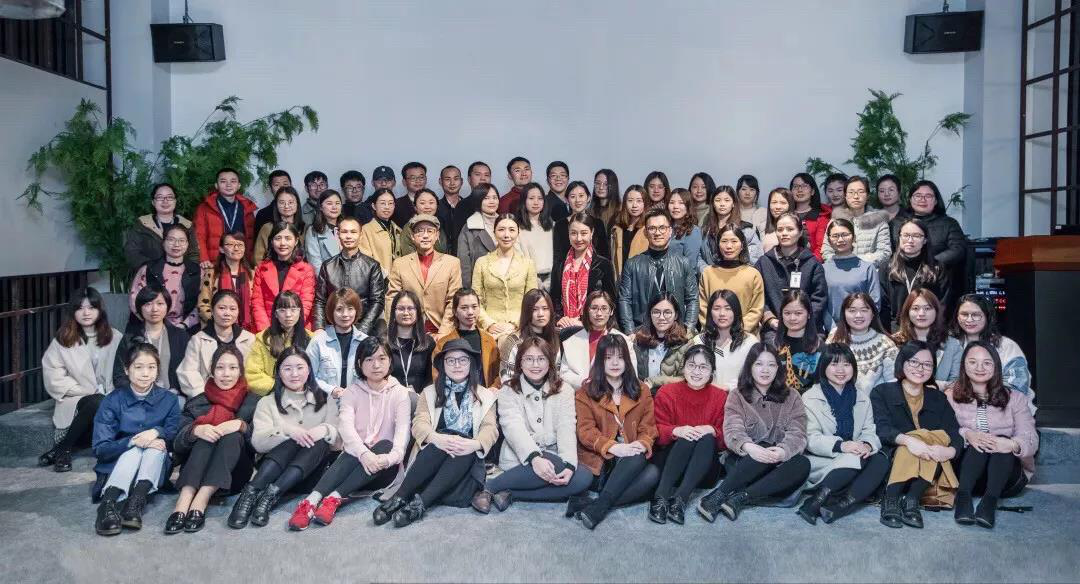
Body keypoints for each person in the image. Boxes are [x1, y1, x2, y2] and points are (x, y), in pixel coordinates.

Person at [287, 338, 412, 530]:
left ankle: (334, 498)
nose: (376, 365)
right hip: (353, 463)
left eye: (382, 358)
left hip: (384, 469)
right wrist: (364, 454)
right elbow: (346, 429)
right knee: (354, 447)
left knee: (385, 444)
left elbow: (401, 440)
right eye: (369, 359)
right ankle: (311, 501)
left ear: (390, 361)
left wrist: (385, 459)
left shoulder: (401, 393)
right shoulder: (351, 393)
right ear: (360, 363)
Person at [372, 339, 498, 527]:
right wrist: (437, 438)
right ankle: (400, 497)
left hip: (465, 470)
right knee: (441, 440)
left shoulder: (486, 395)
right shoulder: (430, 392)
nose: (457, 365)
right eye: (451, 360)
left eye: (463, 360)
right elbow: (419, 423)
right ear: (443, 364)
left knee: (463, 444)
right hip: (429, 465)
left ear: (471, 364)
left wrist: (475, 444)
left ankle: (420, 504)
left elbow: (490, 428)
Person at [227, 347, 340, 529]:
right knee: (294, 437)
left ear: (309, 370)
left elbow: (339, 444)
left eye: (300, 367)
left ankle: (268, 496)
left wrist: (324, 430)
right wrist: (288, 431)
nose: (294, 374)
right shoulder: (267, 402)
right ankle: (251, 493)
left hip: (308, 475)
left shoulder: (326, 400)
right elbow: (257, 444)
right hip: (272, 473)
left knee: (317, 440)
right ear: (278, 372)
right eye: (287, 368)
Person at [697, 343, 809, 522]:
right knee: (761, 446)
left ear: (778, 368)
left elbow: (798, 432)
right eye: (759, 364)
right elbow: (732, 428)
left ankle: (740, 498)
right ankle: (719, 494)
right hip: (744, 463)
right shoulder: (737, 395)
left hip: (777, 464)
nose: (765, 370)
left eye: (771, 365)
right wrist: (749, 447)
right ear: (750, 366)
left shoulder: (792, 396)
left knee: (802, 463)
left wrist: (782, 451)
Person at [475, 337, 591, 510]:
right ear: (520, 363)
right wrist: (534, 458)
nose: (535, 365)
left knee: (583, 478)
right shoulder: (508, 390)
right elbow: (513, 428)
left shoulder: (564, 389)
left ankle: (509, 493)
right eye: (529, 359)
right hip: (520, 459)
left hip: (553, 455)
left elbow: (566, 426)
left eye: (541, 359)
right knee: (555, 465)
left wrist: (568, 464)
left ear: (550, 363)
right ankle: (490, 487)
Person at [166, 345, 259, 534]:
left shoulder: (253, 401)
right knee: (206, 433)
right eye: (220, 367)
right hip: (196, 471)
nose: (226, 374)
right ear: (212, 371)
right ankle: (183, 501)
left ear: (240, 371)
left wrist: (241, 425)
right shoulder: (198, 401)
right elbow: (176, 443)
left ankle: (201, 500)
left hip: (233, 475)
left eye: (233, 368)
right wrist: (195, 431)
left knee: (232, 434)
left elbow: (259, 444)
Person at [91, 342, 181, 535]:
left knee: (156, 446)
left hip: (154, 467)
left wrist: (155, 432)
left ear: (158, 369)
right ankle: (108, 503)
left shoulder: (169, 400)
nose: (145, 373)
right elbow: (101, 448)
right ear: (127, 369)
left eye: (151, 367)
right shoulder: (112, 400)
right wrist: (132, 441)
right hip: (115, 467)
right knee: (135, 449)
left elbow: (173, 433)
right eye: (138, 367)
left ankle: (135, 502)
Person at [946, 341, 1038, 529]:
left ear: (996, 366)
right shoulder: (950, 396)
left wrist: (1011, 444)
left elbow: (1030, 437)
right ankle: (963, 498)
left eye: (987, 363)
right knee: (978, 443)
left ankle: (989, 503)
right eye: (973, 362)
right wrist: (968, 434)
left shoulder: (1015, 398)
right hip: (964, 474)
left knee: (1001, 441)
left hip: (1005, 479)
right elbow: (944, 430)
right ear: (964, 365)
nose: (979, 368)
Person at [871, 340, 962, 529]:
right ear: (902, 362)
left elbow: (954, 431)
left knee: (934, 441)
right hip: (894, 459)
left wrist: (950, 451)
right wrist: (909, 441)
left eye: (927, 364)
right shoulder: (882, 392)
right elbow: (882, 428)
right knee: (913, 443)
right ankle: (894, 496)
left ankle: (911, 498)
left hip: (930, 464)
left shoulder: (938, 397)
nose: (920, 369)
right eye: (914, 362)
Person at [572, 334, 659, 529]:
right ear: (600, 361)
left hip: (630, 460)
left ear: (627, 360)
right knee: (641, 469)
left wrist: (642, 443)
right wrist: (613, 447)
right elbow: (585, 431)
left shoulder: (641, 389)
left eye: (620, 357)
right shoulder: (586, 392)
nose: (615, 363)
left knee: (653, 472)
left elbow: (648, 427)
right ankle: (603, 501)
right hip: (602, 462)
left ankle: (597, 505)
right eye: (608, 357)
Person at [795, 343, 889, 525]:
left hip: (854, 456)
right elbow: (810, 438)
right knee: (855, 457)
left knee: (881, 460)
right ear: (823, 367)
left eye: (846, 364)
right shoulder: (810, 398)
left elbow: (869, 431)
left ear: (853, 368)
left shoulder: (862, 397)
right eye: (834, 364)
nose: (841, 370)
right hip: (823, 460)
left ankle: (839, 507)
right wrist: (842, 445)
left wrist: (867, 445)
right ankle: (817, 500)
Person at [40, 287, 122, 473]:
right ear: (73, 311)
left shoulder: (115, 337)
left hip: (110, 397)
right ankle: (64, 450)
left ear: (100, 310)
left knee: (101, 402)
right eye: (80, 308)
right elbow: (53, 374)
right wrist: (84, 391)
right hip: (77, 399)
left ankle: (62, 449)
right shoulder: (63, 339)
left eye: (91, 307)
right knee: (96, 401)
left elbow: (124, 370)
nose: (86, 313)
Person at [649, 344, 727, 524]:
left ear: (712, 372)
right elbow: (655, 432)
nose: (696, 372)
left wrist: (712, 430)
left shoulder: (720, 397)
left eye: (703, 367)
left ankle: (681, 499)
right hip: (671, 465)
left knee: (706, 436)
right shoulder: (667, 392)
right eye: (691, 365)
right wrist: (677, 430)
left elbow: (726, 440)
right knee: (687, 436)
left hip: (703, 470)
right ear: (683, 367)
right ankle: (661, 497)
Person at [617, 208, 698, 333]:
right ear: (645, 232)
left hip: (675, 332)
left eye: (662, 228)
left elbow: (692, 299)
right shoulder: (632, 264)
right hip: (642, 332)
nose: (657, 233)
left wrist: (688, 329)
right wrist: (630, 332)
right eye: (652, 228)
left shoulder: (683, 263)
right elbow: (624, 300)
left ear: (670, 231)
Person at [889, 180, 966, 308]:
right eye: (918, 195)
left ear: (936, 201)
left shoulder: (949, 223)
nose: (922, 199)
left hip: (937, 278)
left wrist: (930, 263)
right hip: (902, 277)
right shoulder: (896, 223)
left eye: (928, 196)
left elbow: (958, 249)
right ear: (910, 199)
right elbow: (891, 251)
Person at [385, 214, 462, 337]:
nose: (425, 235)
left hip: (441, 329)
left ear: (437, 235)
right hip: (409, 330)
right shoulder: (400, 264)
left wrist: (443, 333)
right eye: (420, 231)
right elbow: (392, 299)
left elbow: (453, 300)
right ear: (412, 236)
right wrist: (396, 330)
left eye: (430, 231)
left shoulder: (452, 263)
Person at [951, 294, 1034, 402]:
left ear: (988, 316)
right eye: (964, 314)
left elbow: (1018, 384)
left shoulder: (1006, 345)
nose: (969, 319)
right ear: (957, 317)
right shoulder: (948, 345)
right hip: (958, 405)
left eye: (976, 315)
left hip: (1002, 404)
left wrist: (983, 398)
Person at [755, 212, 828, 334]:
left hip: (808, 328)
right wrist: (770, 319)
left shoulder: (812, 263)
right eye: (780, 230)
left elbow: (819, 298)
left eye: (790, 229)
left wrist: (803, 321)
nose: (784, 233)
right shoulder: (764, 262)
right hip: (774, 329)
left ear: (800, 232)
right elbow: (758, 297)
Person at [112, 285, 190, 397]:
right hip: (139, 397)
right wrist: (137, 393)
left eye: (160, 303)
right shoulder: (130, 338)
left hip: (173, 396)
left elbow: (189, 370)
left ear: (167, 306)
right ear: (140, 308)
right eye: (148, 304)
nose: (154, 309)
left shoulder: (181, 336)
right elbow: (119, 375)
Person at [177, 290, 256, 398]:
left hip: (242, 398)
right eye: (222, 308)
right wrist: (203, 396)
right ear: (212, 311)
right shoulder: (198, 340)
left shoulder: (249, 339)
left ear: (238, 312)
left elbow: (253, 373)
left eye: (232, 309)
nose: (227, 313)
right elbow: (188, 372)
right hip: (207, 397)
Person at [314, 216, 386, 334]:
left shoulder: (372, 266)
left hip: (364, 327)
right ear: (338, 235)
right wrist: (319, 328)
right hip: (333, 327)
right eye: (344, 232)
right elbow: (320, 300)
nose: (348, 236)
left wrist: (361, 331)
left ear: (361, 235)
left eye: (353, 232)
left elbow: (377, 301)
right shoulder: (327, 266)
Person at [472, 214, 538, 341]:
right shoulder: (482, 262)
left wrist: (515, 324)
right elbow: (475, 300)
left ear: (518, 233)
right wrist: (489, 324)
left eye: (512, 230)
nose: (506, 235)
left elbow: (532, 301)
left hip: (520, 328)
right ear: (494, 233)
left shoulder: (528, 264)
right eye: (501, 229)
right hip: (489, 328)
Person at [879, 218, 951, 331]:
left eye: (916, 236)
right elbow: (883, 305)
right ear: (899, 237)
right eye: (906, 235)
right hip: (896, 331)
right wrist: (889, 334)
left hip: (928, 330)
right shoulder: (887, 267)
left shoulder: (937, 268)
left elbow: (943, 303)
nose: (910, 240)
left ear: (925, 240)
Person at [128, 224, 201, 331]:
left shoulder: (198, 271)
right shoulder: (148, 269)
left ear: (187, 244)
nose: (176, 244)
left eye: (181, 240)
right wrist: (155, 323)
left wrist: (184, 325)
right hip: (151, 327)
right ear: (163, 242)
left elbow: (202, 304)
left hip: (187, 329)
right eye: (171, 240)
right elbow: (135, 299)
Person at [551, 212, 618, 328]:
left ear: (592, 233)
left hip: (594, 327)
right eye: (573, 233)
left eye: (584, 233)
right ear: (568, 234)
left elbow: (611, 301)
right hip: (565, 327)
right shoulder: (560, 265)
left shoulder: (603, 264)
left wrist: (584, 322)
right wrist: (559, 318)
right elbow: (553, 300)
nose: (578, 238)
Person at [560, 291, 638, 391]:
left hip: (613, 394)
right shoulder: (572, 341)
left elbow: (632, 375)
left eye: (604, 308)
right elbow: (564, 374)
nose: (599, 313)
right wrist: (585, 382)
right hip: (578, 393)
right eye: (594, 308)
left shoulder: (625, 341)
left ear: (611, 311)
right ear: (587, 310)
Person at [682, 290, 758, 390]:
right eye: (716, 308)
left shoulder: (750, 342)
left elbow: (754, 377)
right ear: (710, 312)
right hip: (706, 396)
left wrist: (727, 387)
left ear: (736, 312)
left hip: (739, 397)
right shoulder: (698, 342)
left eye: (728, 308)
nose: (722, 313)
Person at [698, 223, 765, 335]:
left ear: (742, 245)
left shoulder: (753, 274)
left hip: (744, 335)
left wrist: (737, 330)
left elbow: (756, 309)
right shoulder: (708, 273)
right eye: (724, 241)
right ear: (718, 244)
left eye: (734, 241)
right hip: (713, 335)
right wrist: (716, 331)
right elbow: (703, 307)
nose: (729, 246)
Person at [826, 292, 898, 393]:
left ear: (873, 314)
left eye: (864, 310)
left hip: (874, 401)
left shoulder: (885, 343)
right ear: (844, 314)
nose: (858, 315)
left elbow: (892, 384)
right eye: (852, 310)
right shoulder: (834, 337)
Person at [245, 291, 313, 396]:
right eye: (282, 310)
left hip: (304, 393)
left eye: (293, 309)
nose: (288, 315)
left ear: (300, 312)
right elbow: (252, 374)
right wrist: (279, 388)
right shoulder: (263, 339)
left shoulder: (312, 339)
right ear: (276, 314)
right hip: (271, 394)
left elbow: (318, 372)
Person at [251, 222, 316, 331]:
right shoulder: (262, 268)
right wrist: (266, 332)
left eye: (287, 238)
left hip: (297, 328)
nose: (282, 243)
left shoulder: (306, 269)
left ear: (296, 241)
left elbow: (306, 303)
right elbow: (257, 302)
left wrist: (291, 329)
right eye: (278, 238)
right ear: (272, 241)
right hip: (267, 328)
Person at [890, 289, 964, 384]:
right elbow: (890, 380)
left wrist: (932, 388)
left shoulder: (952, 345)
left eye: (927, 308)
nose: (921, 313)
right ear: (907, 311)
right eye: (915, 308)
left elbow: (955, 382)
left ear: (936, 311)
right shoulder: (892, 342)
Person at [431, 289, 501, 388]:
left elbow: (498, 373)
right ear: (455, 311)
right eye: (464, 308)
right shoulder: (444, 343)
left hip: (486, 394)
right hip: (454, 395)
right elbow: (437, 375)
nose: (470, 312)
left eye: (474, 307)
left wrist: (492, 389)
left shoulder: (489, 340)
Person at [306, 288, 369, 398]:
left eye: (350, 309)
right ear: (331, 312)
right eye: (339, 309)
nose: (345, 314)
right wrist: (331, 390)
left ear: (356, 311)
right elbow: (307, 376)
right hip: (325, 402)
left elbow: (373, 377)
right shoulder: (318, 341)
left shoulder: (366, 342)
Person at [124, 183, 200, 271]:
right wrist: (152, 268)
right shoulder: (142, 224)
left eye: (170, 197)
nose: (165, 201)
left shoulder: (187, 225)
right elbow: (131, 252)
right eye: (160, 197)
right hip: (149, 274)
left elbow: (194, 254)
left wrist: (185, 272)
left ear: (175, 201)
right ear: (153, 202)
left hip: (180, 275)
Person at [822, 176, 892, 268]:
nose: (856, 196)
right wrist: (843, 264)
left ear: (867, 196)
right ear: (845, 196)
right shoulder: (836, 220)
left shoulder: (878, 220)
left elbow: (884, 252)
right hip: (840, 271)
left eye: (861, 192)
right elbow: (826, 251)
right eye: (851, 192)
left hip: (869, 271)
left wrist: (856, 263)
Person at [194, 167, 258, 268]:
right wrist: (204, 258)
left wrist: (251, 260)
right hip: (215, 262)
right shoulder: (205, 208)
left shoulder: (247, 207)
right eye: (223, 181)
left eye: (233, 181)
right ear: (216, 185)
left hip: (242, 262)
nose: (228, 185)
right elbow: (199, 236)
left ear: (239, 185)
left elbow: (251, 237)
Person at [823, 218, 880, 330]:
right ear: (829, 240)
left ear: (854, 237)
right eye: (835, 236)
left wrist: (859, 327)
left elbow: (875, 303)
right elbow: (821, 304)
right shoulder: (822, 269)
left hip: (861, 328)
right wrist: (833, 329)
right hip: (833, 331)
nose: (840, 239)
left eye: (845, 235)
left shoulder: (867, 268)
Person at [497, 289, 562, 385]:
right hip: (519, 391)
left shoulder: (557, 337)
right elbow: (507, 378)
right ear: (527, 312)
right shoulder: (514, 341)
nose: (541, 314)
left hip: (551, 390)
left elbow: (559, 373)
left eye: (545, 308)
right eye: (535, 309)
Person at [767, 290, 824, 393]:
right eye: (787, 313)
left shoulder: (820, 347)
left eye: (798, 313)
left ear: (809, 314)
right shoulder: (773, 345)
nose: (792, 318)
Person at [632, 292, 690, 393]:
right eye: (656, 312)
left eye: (667, 312)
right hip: (642, 397)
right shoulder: (638, 339)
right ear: (650, 314)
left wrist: (654, 382)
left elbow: (686, 379)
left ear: (676, 315)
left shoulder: (685, 343)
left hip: (670, 398)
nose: (661, 317)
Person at [198, 230, 255, 331]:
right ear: (221, 249)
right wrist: (220, 323)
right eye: (230, 244)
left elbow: (256, 305)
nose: (236, 248)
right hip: (217, 329)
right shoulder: (212, 273)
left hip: (248, 330)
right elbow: (203, 305)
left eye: (240, 245)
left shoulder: (252, 274)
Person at [699, 184, 764, 267]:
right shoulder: (705, 230)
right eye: (718, 200)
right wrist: (706, 270)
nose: (722, 204)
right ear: (713, 204)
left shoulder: (745, 230)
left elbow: (756, 259)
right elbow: (698, 256)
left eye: (727, 200)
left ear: (733, 203)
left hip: (739, 273)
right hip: (711, 273)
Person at [553, 181, 612, 266]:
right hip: (567, 271)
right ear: (567, 200)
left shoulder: (598, 223)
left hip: (594, 270)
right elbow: (557, 257)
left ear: (588, 198)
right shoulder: (560, 225)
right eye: (573, 196)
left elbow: (605, 254)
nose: (577, 200)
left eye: (581, 196)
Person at [386, 291, 436, 392]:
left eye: (410, 308)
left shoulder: (428, 343)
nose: (406, 313)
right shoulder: (384, 343)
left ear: (418, 312)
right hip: (389, 398)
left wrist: (422, 397)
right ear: (393, 312)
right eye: (401, 309)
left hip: (421, 398)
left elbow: (430, 379)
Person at [457, 183, 501, 289]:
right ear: (478, 201)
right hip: (480, 285)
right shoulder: (469, 227)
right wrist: (468, 289)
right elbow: (464, 262)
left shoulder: (506, 223)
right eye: (486, 198)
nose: (492, 201)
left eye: (495, 197)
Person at [515, 182, 555, 291]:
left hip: (552, 279)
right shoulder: (516, 227)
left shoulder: (553, 225)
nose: (536, 202)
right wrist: (533, 279)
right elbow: (518, 258)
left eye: (540, 198)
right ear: (524, 201)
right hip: (528, 280)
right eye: (531, 198)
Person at [357, 188, 404, 276]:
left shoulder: (398, 230)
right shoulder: (366, 230)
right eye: (382, 203)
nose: (387, 207)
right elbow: (365, 260)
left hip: (398, 279)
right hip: (378, 279)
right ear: (374, 206)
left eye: (390, 203)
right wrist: (383, 277)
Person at [254, 186, 306, 263]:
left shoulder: (304, 228)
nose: (286, 206)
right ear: (276, 205)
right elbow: (258, 258)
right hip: (271, 269)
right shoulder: (268, 228)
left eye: (291, 202)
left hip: (300, 269)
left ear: (297, 204)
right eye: (282, 202)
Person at [609, 184, 648, 280]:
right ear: (625, 203)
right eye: (630, 201)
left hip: (641, 281)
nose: (634, 205)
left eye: (639, 201)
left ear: (645, 203)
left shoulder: (648, 229)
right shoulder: (617, 229)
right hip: (620, 281)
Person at [789, 173, 831, 260]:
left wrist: (808, 264)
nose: (799, 190)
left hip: (812, 263)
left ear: (812, 191)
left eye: (804, 186)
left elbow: (821, 248)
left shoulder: (821, 216)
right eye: (795, 186)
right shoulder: (786, 215)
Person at [436, 165, 474, 255]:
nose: (452, 183)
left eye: (456, 179)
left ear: (461, 181)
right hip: (442, 256)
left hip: (467, 254)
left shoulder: (470, 207)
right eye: (447, 179)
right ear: (440, 181)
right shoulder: (435, 207)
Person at [303, 189, 343, 273]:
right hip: (327, 278)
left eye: (337, 203)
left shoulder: (348, 227)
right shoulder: (313, 231)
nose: (334, 207)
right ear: (321, 207)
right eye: (329, 203)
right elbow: (315, 265)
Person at [399, 189, 449, 256]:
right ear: (415, 207)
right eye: (422, 203)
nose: (427, 207)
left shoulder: (439, 225)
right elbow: (409, 257)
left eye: (431, 203)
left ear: (437, 205)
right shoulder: (409, 228)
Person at [666, 188, 703, 264]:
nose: (675, 206)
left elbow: (690, 263)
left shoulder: (693, 230)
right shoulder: (665, 227)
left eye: (681, 203)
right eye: (672, 202)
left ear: (688, 206)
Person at [253, 169, 293, 236]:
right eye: (277, 185)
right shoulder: (262, 214)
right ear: (270, 188)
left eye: (285, 184)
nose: (282, 188)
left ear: (291, 186)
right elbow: (259, 240)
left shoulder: (297, 210)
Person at [390, 162, 427, 227]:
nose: (417, 181)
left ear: (426, 180)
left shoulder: (434, 203)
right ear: (404, 182)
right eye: (413, 178)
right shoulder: (396, 205)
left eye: (421, 177)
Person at [759, 188, 796, 255]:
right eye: (774, 202)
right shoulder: (761, 227)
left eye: (783, 203)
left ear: (790, 205)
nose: (778, 207)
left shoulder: (797, 227)